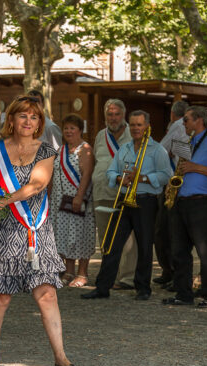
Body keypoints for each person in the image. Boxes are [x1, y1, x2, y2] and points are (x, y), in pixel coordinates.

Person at [0, 95, 82, 366]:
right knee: (0, 296)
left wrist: (4, 200)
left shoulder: (46, 150)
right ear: (10, 120)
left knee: (47, 293)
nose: (28, 121)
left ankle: (62, 360)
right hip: (3, 232)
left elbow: (38, 184)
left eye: (34, 117)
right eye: (23, 116)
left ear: (40, 123)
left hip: (35, 231)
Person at [82, 110, 172, 301]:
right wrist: (119, 179)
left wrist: (144, 178)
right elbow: (111, 171)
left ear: (147, 126)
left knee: (145, 246)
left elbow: (167, 175)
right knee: (112, 244)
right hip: (124, 200)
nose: (136, 128)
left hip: (146, 201)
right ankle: (102, 287)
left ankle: (143, 288)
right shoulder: (124, 149)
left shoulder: (157, 150)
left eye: (139, 125)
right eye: (132, 125)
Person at [162, 106, 207, 308]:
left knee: (205, 251)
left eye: (187, 120)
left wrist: (195, 167)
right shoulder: (188, 141)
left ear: (199, 120)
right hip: (181, 200)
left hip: (202, 201)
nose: (183, 124)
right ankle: (183, 293)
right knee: (179, 250)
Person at [92, 99, 137, 290]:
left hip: (124, 194)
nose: (113, 118)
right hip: (102, 192)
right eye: (109, 114)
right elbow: (96, 159)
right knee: (105, 238)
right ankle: (109, 275)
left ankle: (127, 278)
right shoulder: (100, 136)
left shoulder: (133, 135)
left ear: (124, 115)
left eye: (116, 114)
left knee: (128, 240)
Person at [50, 114, 95, 287]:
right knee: (64, 234)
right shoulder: (60, 150)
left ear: (79, 130)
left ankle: (82, 272)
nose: (68, 131)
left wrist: (79, 196)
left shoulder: (85, 149)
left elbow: (86, 175)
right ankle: (69, 270)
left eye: (72, 128)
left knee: (81, 234)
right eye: (66, 128)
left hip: (78, 199)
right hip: (60, 200)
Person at [155, 100, 189, 290]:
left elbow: (161, 149)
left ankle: (171, 272)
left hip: (176, 186)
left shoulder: (177, 125)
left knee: (165, 232)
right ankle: (173, 274)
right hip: (185, 186)